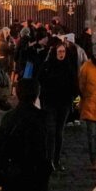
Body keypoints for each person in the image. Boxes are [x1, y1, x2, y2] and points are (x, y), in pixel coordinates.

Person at [38, 39, 80, 170]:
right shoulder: (47, 66)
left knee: (59, 132)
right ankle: (49, 159)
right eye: (59, 52)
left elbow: (75, 86)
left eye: (63, 52)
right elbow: (40, 81)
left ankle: (56, 159)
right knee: (51, 130)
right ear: (55, 52)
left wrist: (75, 102)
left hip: (64, 103)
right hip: (50, 102)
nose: (61, 54)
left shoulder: (69, 66)